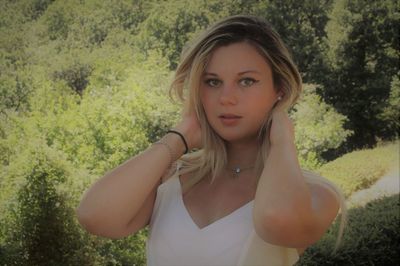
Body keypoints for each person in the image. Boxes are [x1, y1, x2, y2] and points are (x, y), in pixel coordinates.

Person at [76, 15, 347, 266]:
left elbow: (277, 219)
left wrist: (283, 139)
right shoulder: (172, 177)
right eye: (212, 82)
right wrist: (179, 137)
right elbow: (95, 216)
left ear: (280, 90)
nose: (226, 98)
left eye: (247, 81)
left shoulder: (315, 194)